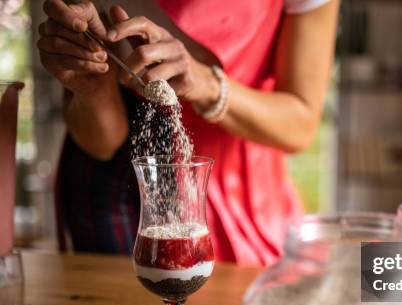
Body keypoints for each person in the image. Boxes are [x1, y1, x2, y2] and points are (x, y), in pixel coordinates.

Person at [37, 0, 338, 265]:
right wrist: (93, 87)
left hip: (245, 197)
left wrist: (205, 84)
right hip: (122, 201)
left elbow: (301, 125)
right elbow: (103, 145)